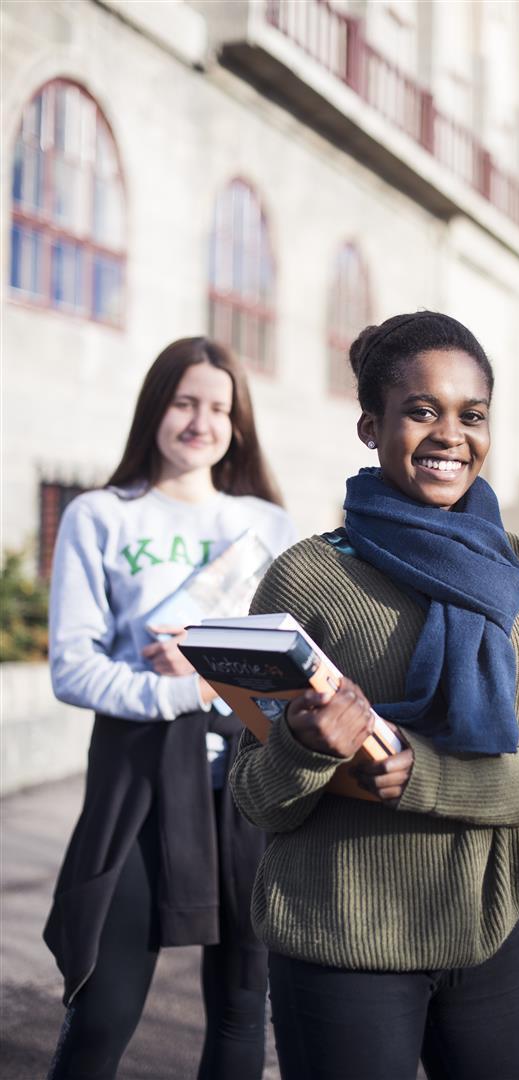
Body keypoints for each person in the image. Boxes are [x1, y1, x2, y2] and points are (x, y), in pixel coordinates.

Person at [229, 311, 519, 1080]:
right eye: (422, 410)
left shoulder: (511, 565)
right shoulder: (307, 577)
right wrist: (304, 748)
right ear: (372, 425)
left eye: (472, 415)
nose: (450, 435)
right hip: (341, 943)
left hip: (487, 931)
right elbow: (251, 796)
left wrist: (434, 779)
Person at [44, 337, 296, 1080]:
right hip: (139, 782)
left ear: (237, 424)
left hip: (246, 783)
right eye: (185, 401)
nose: (200, 421)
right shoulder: (100, 515)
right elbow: (72, 666)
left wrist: (215, 672)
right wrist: (183, 690)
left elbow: (292, 661)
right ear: (156, 407)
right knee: (104, 1006)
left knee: (242, 1011)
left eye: (219, 407)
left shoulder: (267, 525)